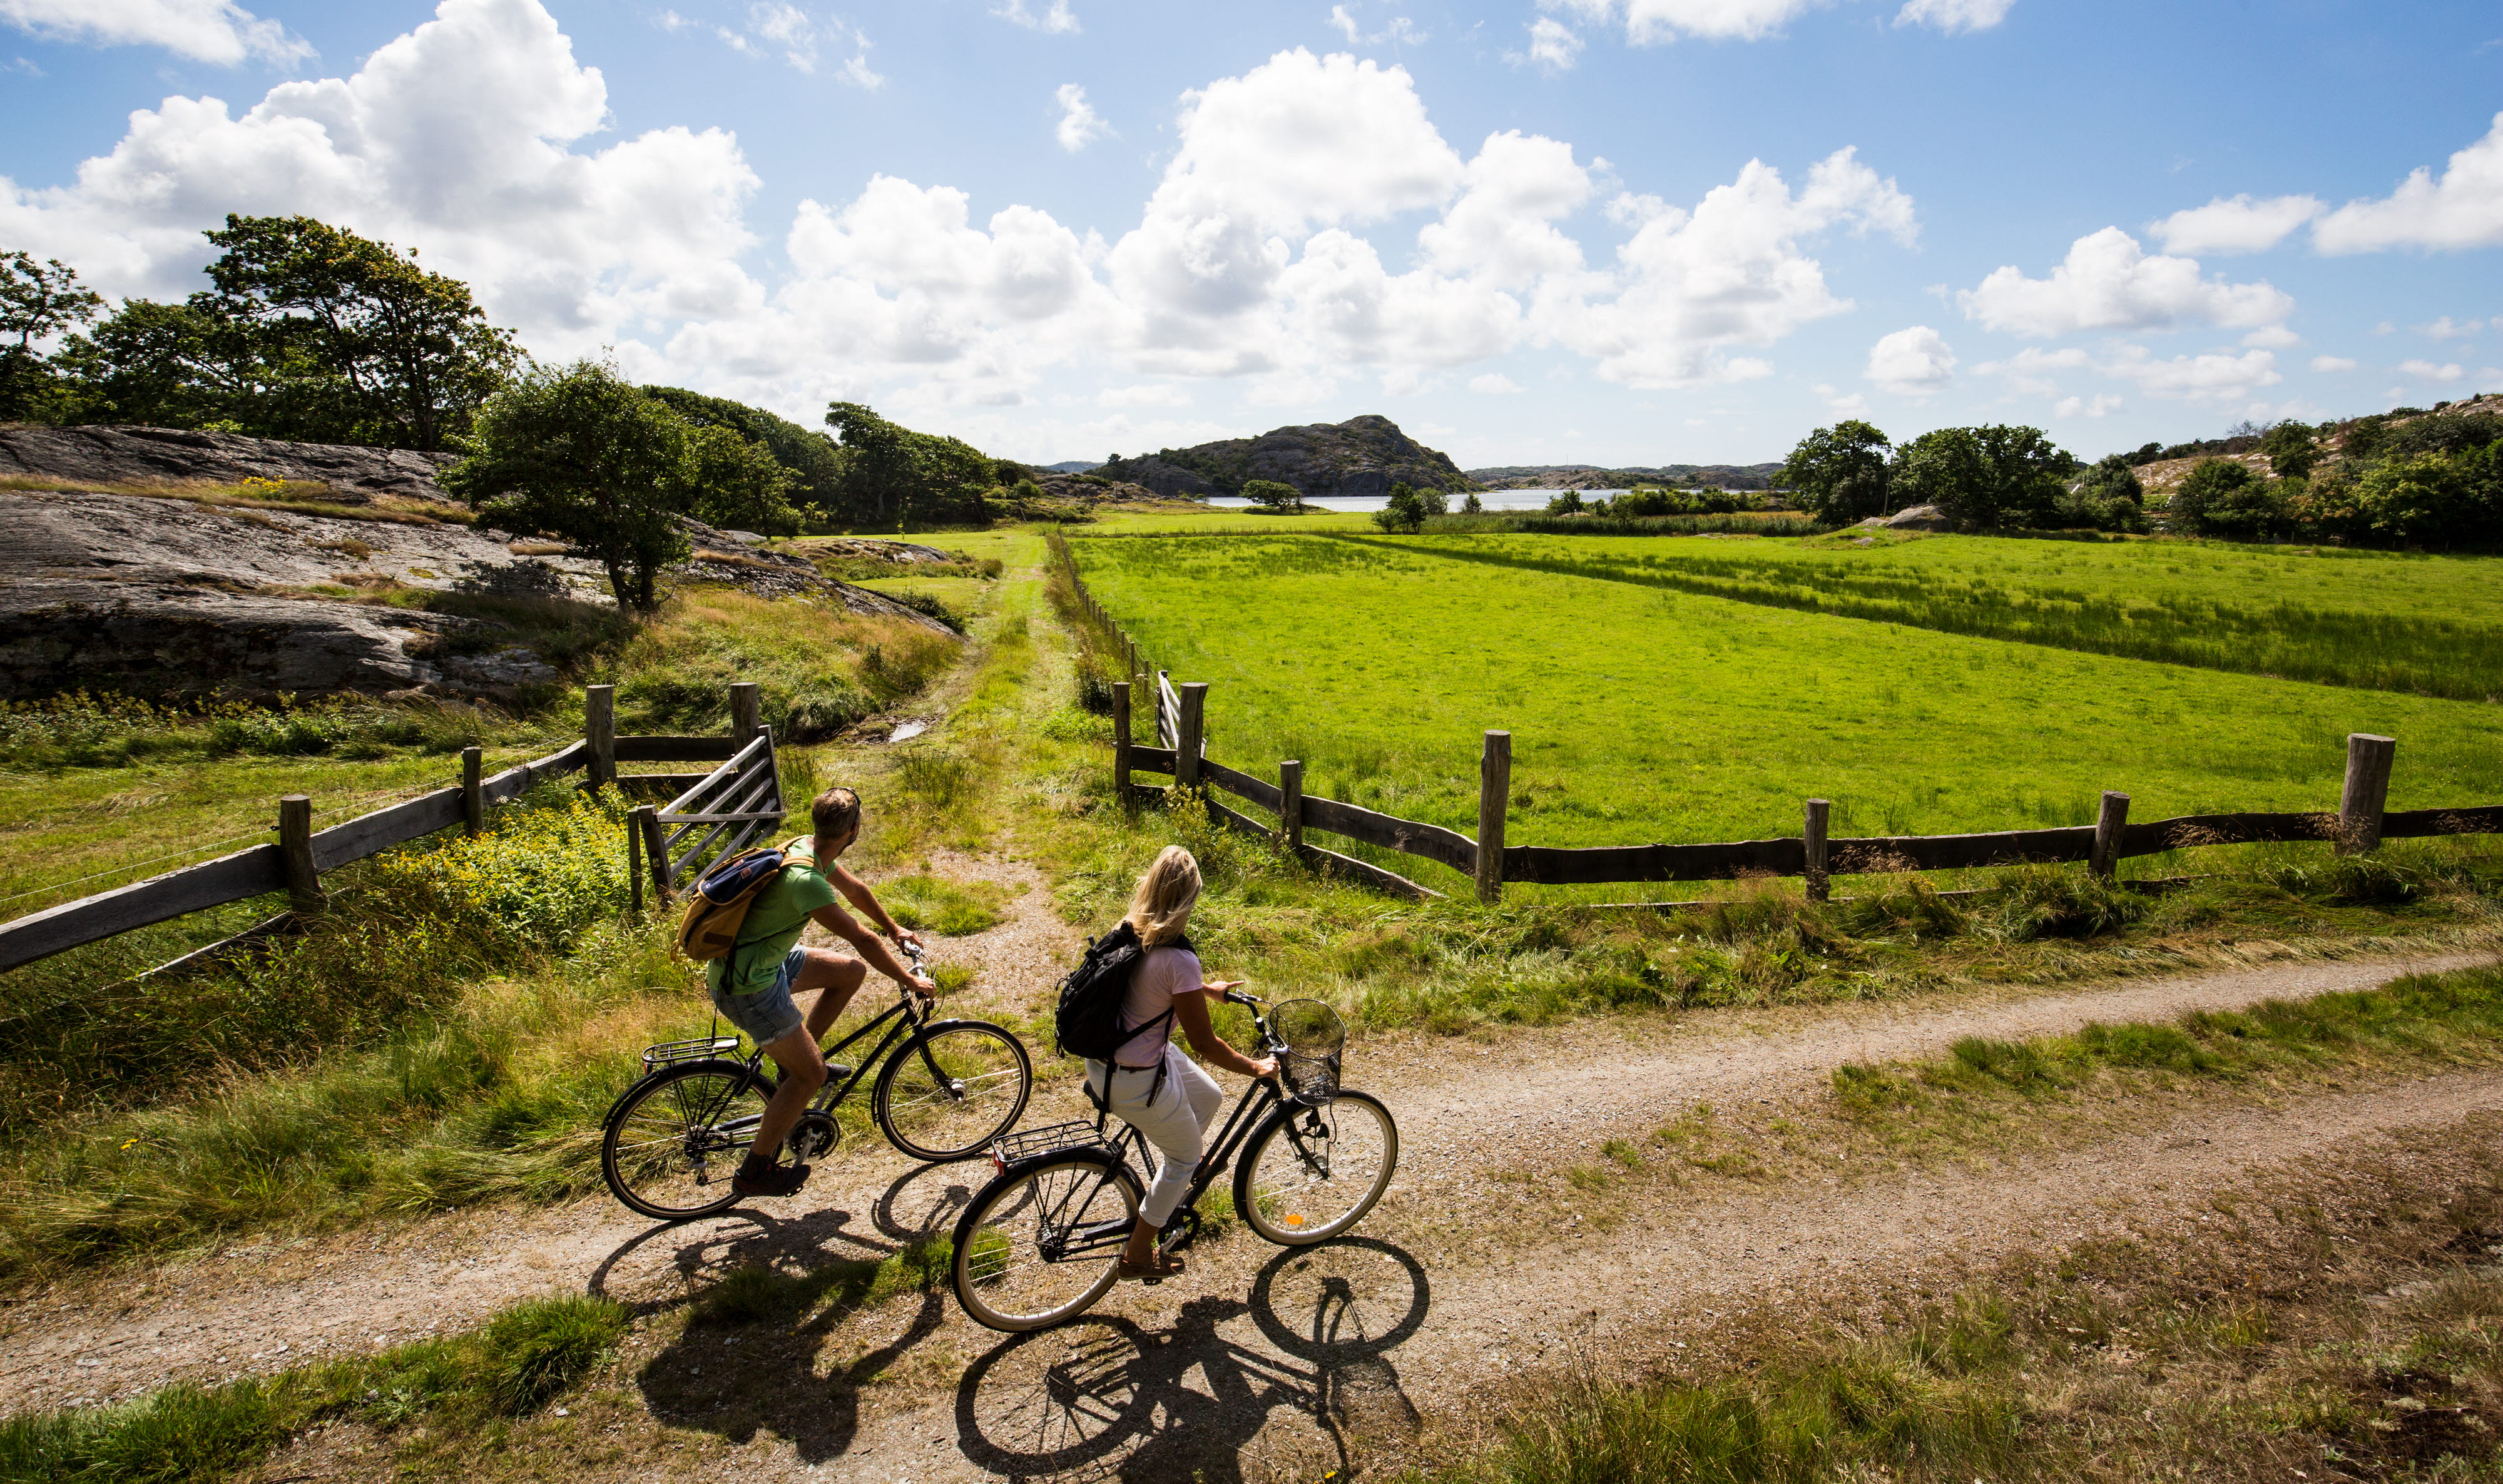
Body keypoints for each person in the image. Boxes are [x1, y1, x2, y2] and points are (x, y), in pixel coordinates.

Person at [710, 786, 935, 1198]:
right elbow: (864, 941)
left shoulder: (808, 847)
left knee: (848, 974)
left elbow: (857, 892)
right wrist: (911, 981)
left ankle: (793, 1065)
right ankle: (755, 1170)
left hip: (763, 965)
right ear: (853, 830)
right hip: (748, 987)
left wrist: (895, 928)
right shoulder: (807, 881)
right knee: (811, 1075)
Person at [1089, 845, 1278, 1281]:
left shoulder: (1129, 930)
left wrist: (1206, 990)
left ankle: (1185, 1163)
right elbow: (1206, 1044)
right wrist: (1257, 1067)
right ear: (1190, 898)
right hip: (1134, 1078)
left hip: (1109, 1061)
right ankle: (1137, 1255)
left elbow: (1153, 990)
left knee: (1208, 1096)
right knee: (1183, 1156)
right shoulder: (1179, 959)